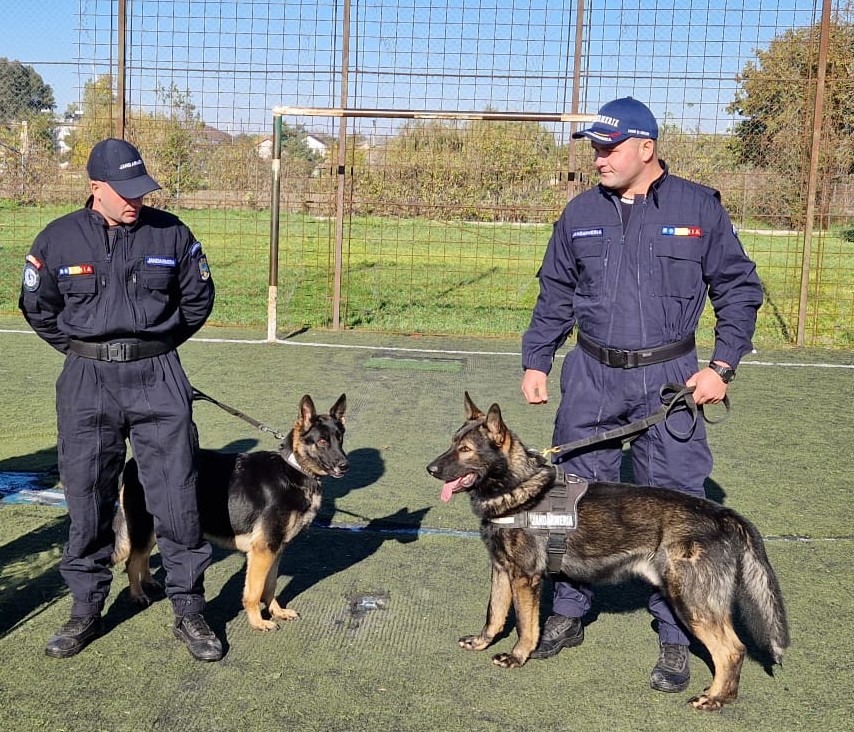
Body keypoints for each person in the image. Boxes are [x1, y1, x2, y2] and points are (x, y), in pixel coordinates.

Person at [520, 97, 763, 693]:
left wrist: (721, 365)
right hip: (592, 375)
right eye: (594, 148)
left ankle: (677, 635)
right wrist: (537, 358)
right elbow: (555, 291)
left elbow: (738, 287)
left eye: (610, 147)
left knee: (677, 504)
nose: (598, 158)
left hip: (671, 380)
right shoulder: (579, 212)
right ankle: (567, 612)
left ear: (646, 148)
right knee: (567, 498)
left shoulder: (697, 207)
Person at [19, 138, 222, 662]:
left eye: (141, 190)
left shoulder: (170, 232)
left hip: (158, 374)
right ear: (96, 189)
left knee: (176, 496)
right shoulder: (59, 238)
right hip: (87, 379)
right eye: (124, 192)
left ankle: (189, 608)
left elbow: (198, 298)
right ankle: (85, 610)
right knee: (87, 498)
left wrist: (155, 347)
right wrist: (84, 349)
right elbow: (37, 305)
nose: (135, 200)